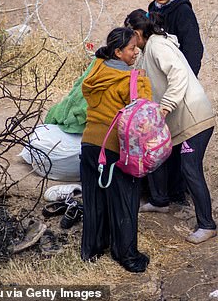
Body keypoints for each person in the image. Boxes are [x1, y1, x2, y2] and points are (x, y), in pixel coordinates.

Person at [125, 10, 217, 244]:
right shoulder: (147, 51)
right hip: (179, 120)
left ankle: (207, 224)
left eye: (130, 35)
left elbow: (178, 74)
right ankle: (160, 200)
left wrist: (165, 106)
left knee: (190, 168)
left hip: (193, 117)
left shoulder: (158, 46)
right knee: (157, 156)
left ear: (137, 33)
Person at [80, 27, 152, 272]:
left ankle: (92, 249)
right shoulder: (134, 79)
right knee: (125, 200)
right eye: (132, 48)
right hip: (114, 148)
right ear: (119, 51)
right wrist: (142, 82)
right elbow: (144, 117)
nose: (136, 52)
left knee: (94, 199)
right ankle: (127, 256)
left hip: (90, 142)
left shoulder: (98, 69)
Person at [147, 0, 204, 206]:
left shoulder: (182, 12)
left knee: (180, 139)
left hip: (179, 85)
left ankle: (179, 193)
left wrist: (185, 82)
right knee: (164, 138)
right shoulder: (153, 9)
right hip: (162, 85)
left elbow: (194, 49)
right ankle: (164, 193)